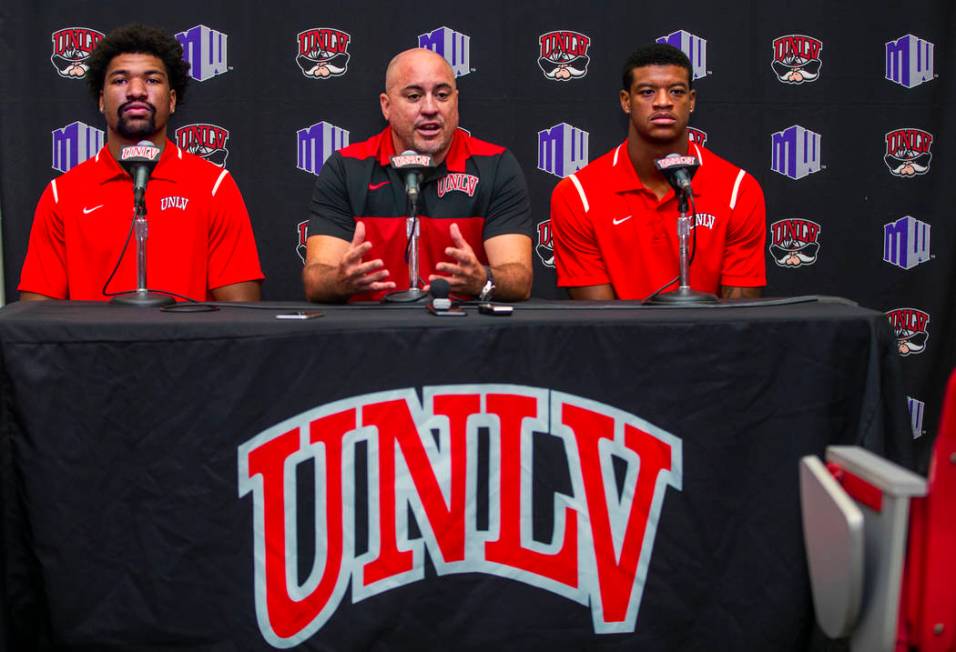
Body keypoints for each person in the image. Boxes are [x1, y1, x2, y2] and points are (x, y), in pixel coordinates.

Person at [18, 23, 263, 302]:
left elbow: (242, 311)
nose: (136, 91)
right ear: (101, 100)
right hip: (93, 346)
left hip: (185, 346)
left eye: (152, 80)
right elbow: (36, 317)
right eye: (120, 80)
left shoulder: (214, 186)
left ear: (172, 100)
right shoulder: (62, 194)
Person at [303, 48, 532, 303]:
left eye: (442, 95)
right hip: (372, 331)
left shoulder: (495, 165)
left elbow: (519, 279)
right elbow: (316, 280)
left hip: (463, 330)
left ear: (456, 102)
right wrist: (338, 281)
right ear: (386, 106)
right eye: (414, 96)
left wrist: (483, 279)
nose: (430, 108)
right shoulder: (346, 168)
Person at [550, 43, 766, 300]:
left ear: (692, 101)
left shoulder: (738, 189)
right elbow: (600, 319)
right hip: (621, 339)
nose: (663, 103)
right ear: (626, 101)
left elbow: (741, 315)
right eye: (648, 92)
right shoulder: (578, 194)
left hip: (712, 339)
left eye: (676, 92)